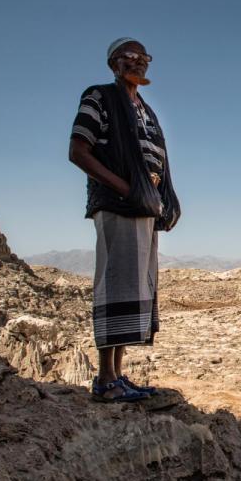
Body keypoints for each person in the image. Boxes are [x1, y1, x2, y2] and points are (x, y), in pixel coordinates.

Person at [68, 37, 181, 402]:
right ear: (113, 63)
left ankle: (117, 375)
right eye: (129, 57)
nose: (138, 63)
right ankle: (105, 380)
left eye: (143, 57)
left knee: (135, 287)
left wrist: (162, 198)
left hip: (143, 208)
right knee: (117, 284)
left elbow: (156, 160)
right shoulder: (99, 97)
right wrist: (125, 188)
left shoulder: (145, 109)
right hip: (118, 204)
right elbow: (78, 151)